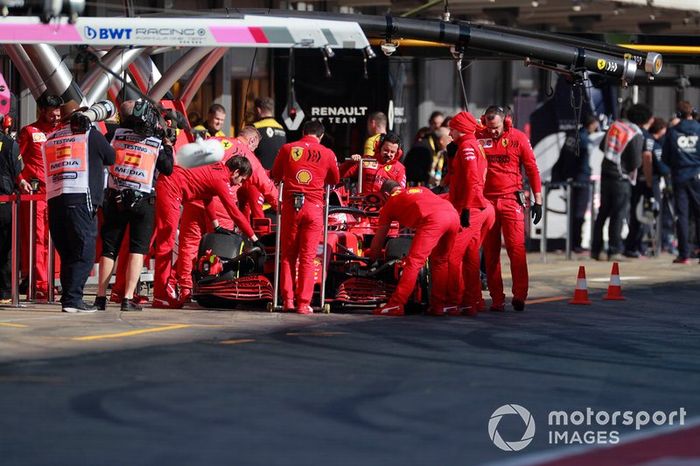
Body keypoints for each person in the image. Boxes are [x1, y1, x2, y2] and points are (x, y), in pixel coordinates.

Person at [174, 127, 277, 302]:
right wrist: (281, 206)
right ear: (251, 141)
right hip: (222, 201)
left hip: (195, 195)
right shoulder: (247, 155)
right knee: (221, 249)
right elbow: (267, 188)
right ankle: (215, 291)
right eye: (255, 147)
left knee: (189, 245)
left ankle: (185, 289)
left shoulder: (214, 141)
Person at [94, 100, 174, 312]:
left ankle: (100, 297)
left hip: (115, 196)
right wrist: (168, 144)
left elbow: (101, 156)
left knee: (109, 248)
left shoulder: (113, 135)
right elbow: (167, 168)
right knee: (138, 249)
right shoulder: (154, 139)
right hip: (143, 198)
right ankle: (128, 298)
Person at [153, 156, 259, 308]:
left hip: (171, 186)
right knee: (166, 244)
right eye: (242, 179)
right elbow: (234, 212)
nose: (241, 184)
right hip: (171, 189)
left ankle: (176, 290)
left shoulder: (216, 169)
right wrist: (254, 238)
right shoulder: (221, 179)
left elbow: (206, 195)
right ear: (235, 172)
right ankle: (161, 295)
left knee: (175, 244)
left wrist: (216, 225)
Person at [44, 100, 116, 313]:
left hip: (55, 199)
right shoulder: (89, 135)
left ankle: (68, 297)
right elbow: (111, 157)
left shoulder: (52, 137)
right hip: (80, 198)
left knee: (67, 252)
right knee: (84, 251)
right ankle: (73, 300)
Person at [477, 105, 542, 312]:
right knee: (490, 252)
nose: (493, 131)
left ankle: (520, 294)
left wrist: (538, 200)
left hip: (511, 200)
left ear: (505, 122)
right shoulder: (479, 137)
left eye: (496, 127)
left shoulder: (519, 138)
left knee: (516, 249)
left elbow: (531, 168)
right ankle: (497, 298)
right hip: (487, 202)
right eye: (489, 126)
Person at [270, 120, 339, 314]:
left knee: (287, 256)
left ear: (303, 132)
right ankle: (303, 303)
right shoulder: (328, 153)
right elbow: (335, 179)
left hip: (292, 206)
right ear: (321, 136)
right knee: (308, 257)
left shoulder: (287, 149)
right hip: (314, 208)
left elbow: (275, 174)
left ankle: (287, 301)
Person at [368, 181, 460, 317]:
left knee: (414, 262)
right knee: (441, 261)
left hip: (434, 219)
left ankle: (396, 304)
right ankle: (442, 305)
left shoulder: (390, 203)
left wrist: (371, 261)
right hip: (453, 216)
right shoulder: (420, 189)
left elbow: (378, 240)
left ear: (386, 194)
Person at [447, 111, 495, 316]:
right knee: (471, 257)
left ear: (461, 129)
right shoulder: (474, 145)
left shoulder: (467, 147)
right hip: (480, 207)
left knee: (452, 256)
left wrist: (466, 208)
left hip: (471, 208)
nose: (450, 133)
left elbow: (472, 178)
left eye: (452, 129)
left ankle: (454, 301)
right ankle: (472, 301)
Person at [16, 94, 63, 301]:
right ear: (42, 110)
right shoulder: (29, 131)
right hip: (35, 195)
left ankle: (53, 279)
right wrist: (21, 180)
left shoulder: (61, 132)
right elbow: (14, 160)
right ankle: (39, 283)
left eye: (58, 114)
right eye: (52, 114)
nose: (56, 118)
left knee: (55, 237)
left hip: (58, 193)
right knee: (37, 238)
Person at [591, 104, 652, 262]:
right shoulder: (635, 133)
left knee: (603, 212)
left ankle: (596, 249)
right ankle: (614, 250)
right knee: (618, 213)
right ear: (644, 120)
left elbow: (601, 147)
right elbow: (635, 161)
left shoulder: (615, 126)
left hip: (605, 173)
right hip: (621, 177)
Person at [552, 114, 599, 253]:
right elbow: (584, 163)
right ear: (591, 124)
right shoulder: (585, 140)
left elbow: (563, 158)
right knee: (579, 213)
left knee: (572, 212)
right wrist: (585, 177)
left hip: (570, 179)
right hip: (581, 180)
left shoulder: (572, 136)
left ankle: (572, 243)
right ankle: (576, 244)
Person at [625, 114, 668, 258]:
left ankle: (634, 246)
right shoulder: (652, 143)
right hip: (650, 183)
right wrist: (650, 182)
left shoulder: (639, 136)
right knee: (650, 215)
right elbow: (655, 164)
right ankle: (645, 246)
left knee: (637, 215)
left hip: (637, 181)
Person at [662, 101, 700, 264]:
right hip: (697, 175)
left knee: (682, 216)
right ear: (692, 113)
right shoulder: (699, 129)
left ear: (677, 114)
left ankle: (684, 254)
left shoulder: (672, 131)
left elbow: (665, 156)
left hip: (679, 176)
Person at [0, 126, 29, 304]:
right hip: (5, 202)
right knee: (6, 249)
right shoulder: (9, 143)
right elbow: (17, 171)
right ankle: (4, 292)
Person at [339, 132, 406, 194]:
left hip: (385, 205)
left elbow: (401, 193)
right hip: (362, 204)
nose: (388, 154)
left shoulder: (400, 169)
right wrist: (350, 163)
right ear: (380, 147)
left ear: (397, 153)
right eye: (386, 150)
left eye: (392, 152)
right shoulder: (366, 160)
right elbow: (339, 174)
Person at [252, 97, 286, 170]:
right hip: (276, 175)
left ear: (258, 110)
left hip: (259, 175)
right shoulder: (281, 128)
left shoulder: (254, 128)